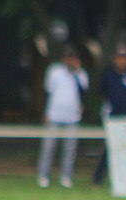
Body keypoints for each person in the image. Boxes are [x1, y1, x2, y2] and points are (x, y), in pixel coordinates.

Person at [92, 43, 126, 186]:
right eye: (119, 58)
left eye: (125, 58)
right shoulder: (109, 75)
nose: (122, 61)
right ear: (115, 59)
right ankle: (98, 179)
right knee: (110, 147)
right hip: (114, 116)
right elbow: (103, 94)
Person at [37, 45, 89, 188]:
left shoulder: (81, 74)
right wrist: (45, 112)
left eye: (72, 58)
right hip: (54, 115)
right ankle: (43, 175)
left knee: (69, 149)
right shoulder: (54, 71)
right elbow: (47, 92)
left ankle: (66, 176)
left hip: (72, 117)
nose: (69, 61)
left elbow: (84, 91)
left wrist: (77, 71)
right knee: (48, 147)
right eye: (67, 58)